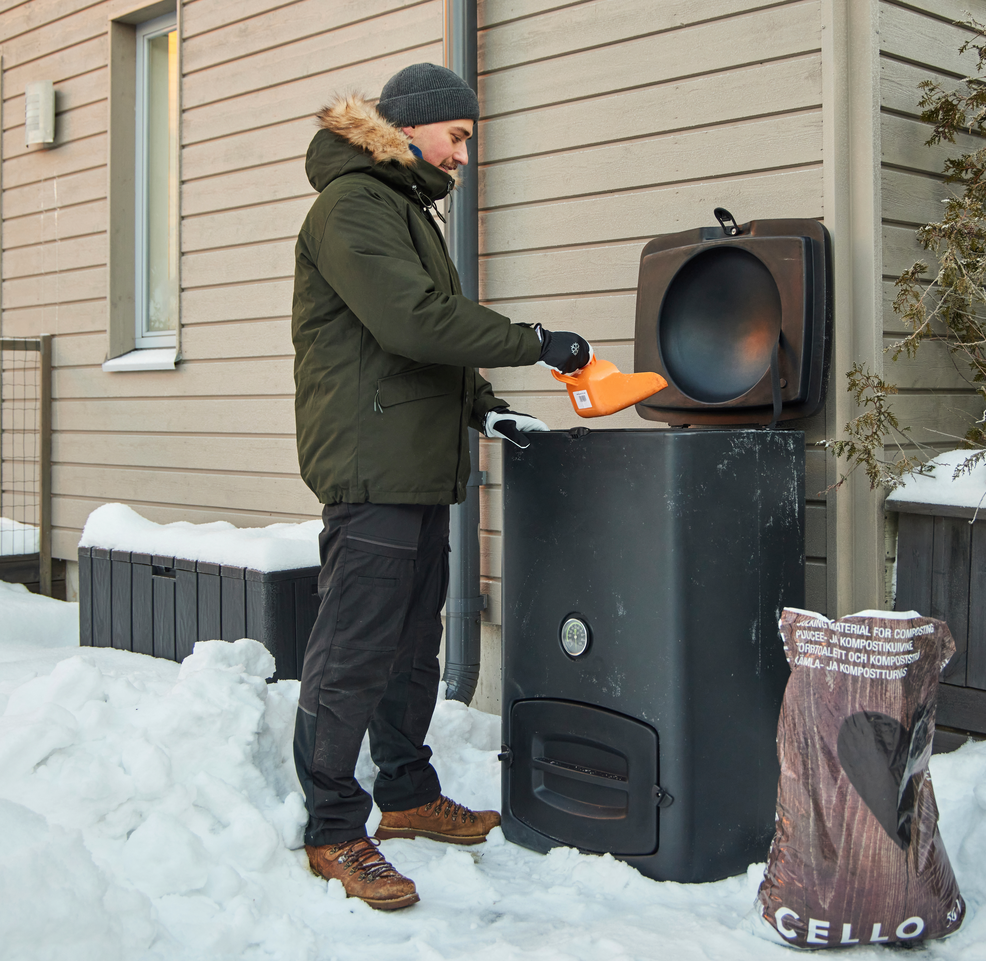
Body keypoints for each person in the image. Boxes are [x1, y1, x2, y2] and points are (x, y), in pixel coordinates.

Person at [290, 63, 591, 910]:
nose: (463, 156)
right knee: (353, 651)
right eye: (457, 137)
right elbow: (411, 320)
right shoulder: (352, 205)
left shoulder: (403, 209)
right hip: (373, 464)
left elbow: (423, 345)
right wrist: (535, 341)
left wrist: (487, 412)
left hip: (419, 464)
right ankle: (334, 827)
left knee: (412, 644)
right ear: (414, 127)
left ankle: (408, 793)